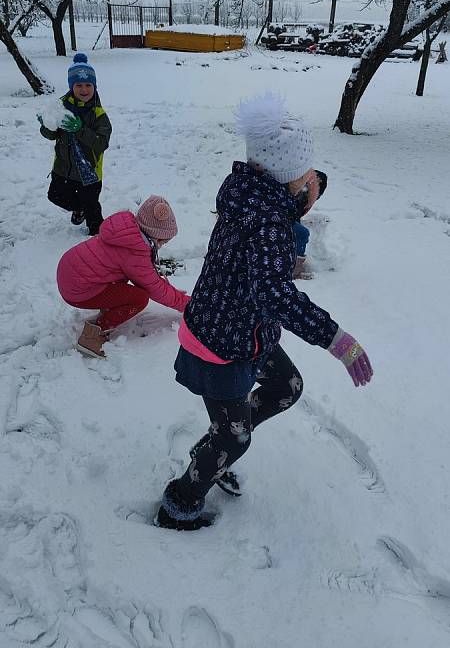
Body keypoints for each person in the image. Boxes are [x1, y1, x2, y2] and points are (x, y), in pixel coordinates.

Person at [155, 92, 373, 531]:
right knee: (235, 437)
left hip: (243, 330)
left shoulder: (251, 195)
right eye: (309, 176)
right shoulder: (267, 224)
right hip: (219, 345)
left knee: (287, 386)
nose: (315, 183)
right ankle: (180, 503)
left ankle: (215, 449)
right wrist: (336, 339)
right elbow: (275, 295)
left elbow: (263, 276)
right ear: (290, 178)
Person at [57, 196, 189, 358]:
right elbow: (154, 288)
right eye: (163, 241)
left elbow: (148, 276)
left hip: (71, 274)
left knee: (125, 278)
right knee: (139, 298)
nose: (162, 245)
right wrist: (187, 304)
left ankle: (109, 305)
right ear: (156, 235)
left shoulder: (127, 232)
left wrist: (172, 291)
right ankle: (92, 336)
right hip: (78, 290)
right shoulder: (134, 253)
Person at [38, 53, 112, 236]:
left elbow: (101, 143)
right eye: (78, 85)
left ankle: (98, 236)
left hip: (89, 172)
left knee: (92, 209)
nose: (84, 89)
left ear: (94, 86)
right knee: (55, 196)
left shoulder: (98, 114)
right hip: (63, 168)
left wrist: (79, 129)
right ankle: (79, 209)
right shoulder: (61, 107)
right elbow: (50, 134)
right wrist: (47, 124)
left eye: (88, 85)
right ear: (72, 87)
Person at [292, 169, 328, 280]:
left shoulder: (298, 184)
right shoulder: (305, 193)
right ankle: (294, 270)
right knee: (302, 233)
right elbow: (291, 214)